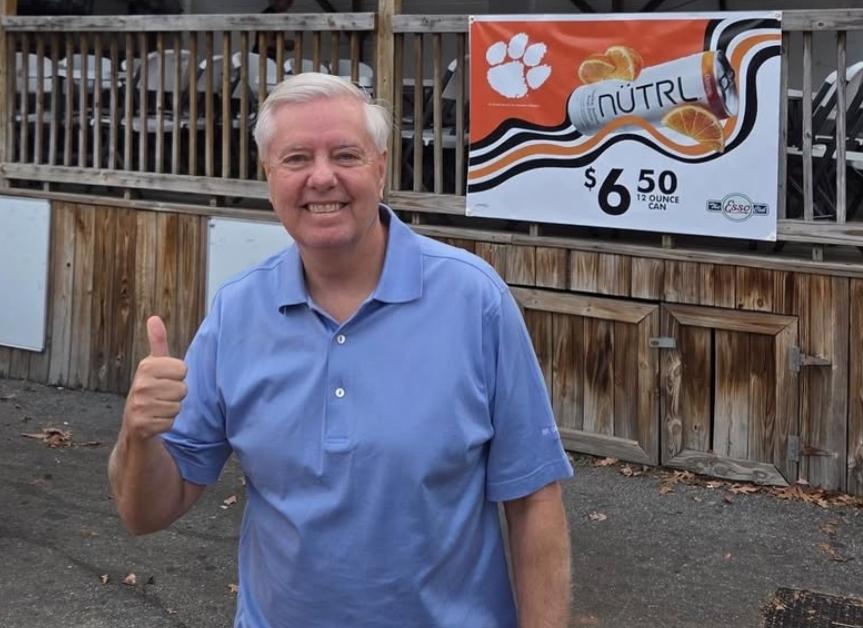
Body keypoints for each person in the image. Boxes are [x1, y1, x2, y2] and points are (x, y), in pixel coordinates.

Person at [109, 72, 573, 627]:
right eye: (297, 158)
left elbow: (534, 500)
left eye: (345, 155)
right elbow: (147, 512)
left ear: (380, 166)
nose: (321, 178)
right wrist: (138, 437)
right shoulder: (238, 311)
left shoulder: (473, 299)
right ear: (269, 176)